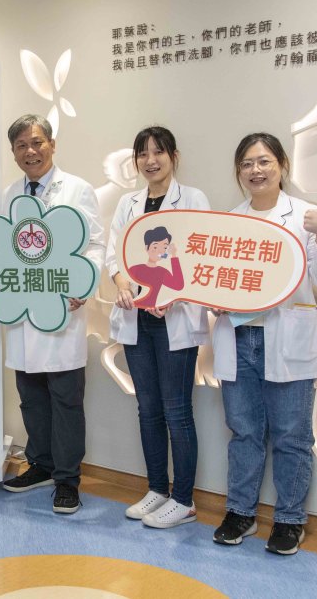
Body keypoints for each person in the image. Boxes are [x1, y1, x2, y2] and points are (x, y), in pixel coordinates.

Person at [210, 132, 317, 555]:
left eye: (264, 161)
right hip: (240, 338)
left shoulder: (305, 217)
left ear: (282, 165)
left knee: (291, 435)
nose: (256, 170)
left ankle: (289, 519)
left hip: (288, 339)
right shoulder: (229, 221)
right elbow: (217, 281)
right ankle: (240, 512)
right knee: (244, 432)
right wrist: (213, 300)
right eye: (247, 163)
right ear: (239, 171)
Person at [0, 114, 104, 515]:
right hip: (21, 313)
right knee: (31, 397)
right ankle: (41, 465)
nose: (30, 152)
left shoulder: (77, 190)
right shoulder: (11, 193)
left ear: (52, 145)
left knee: (66, 399)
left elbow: (96, 245)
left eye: (36, 143)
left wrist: (84, 285)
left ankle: (67, 480)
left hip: (62, 310)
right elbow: (1, 247)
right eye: (21, 146)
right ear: (14, 152)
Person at [107, 126, 210, 529]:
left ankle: (183, 499)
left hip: (174, 320)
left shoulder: (193, 200)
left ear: (173, 157)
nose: (150, 161)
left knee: (177, 411)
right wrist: (121, 284)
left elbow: (199, 258)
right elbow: (115, 255)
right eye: (143, 154)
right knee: (147, 409)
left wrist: (171, 295)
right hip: (136, 319)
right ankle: (156, 489)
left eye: (159, 152)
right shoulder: (128, 203)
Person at [127, 226, 184, 308]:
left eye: (164, 247)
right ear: (146, 248)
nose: (160, 251)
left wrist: (174, 256)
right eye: (155, 247)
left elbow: (178, 285)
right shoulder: (134, 269)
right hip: (133, 308)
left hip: (155, 310)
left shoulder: (162, 272)